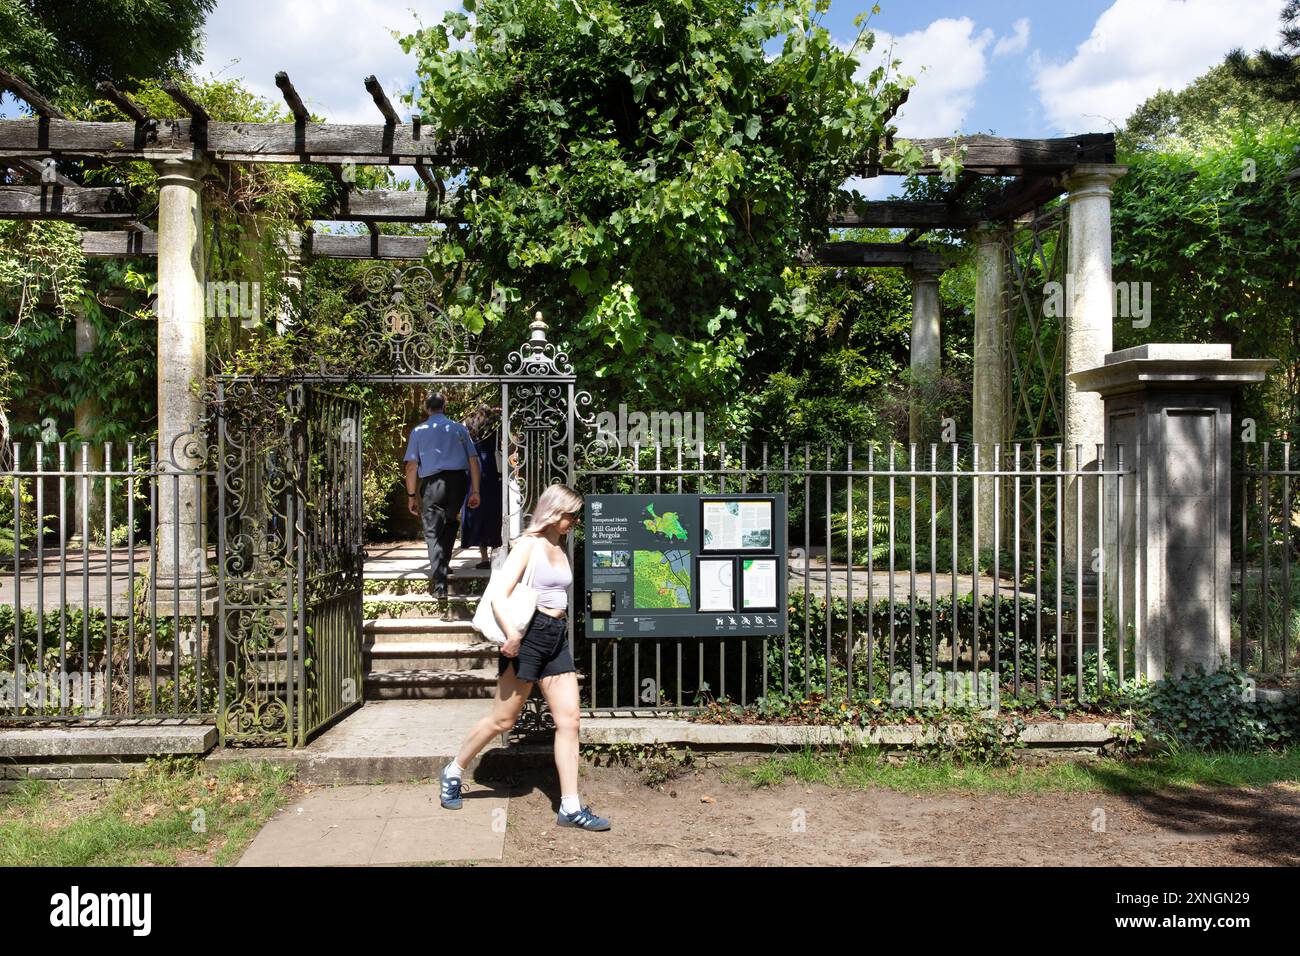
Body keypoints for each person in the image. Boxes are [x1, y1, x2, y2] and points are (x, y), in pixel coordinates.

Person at [438, 483, 610, 832]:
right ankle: (453, 770)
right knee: (503, 720)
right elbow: (500, 596)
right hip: (529, 635)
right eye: (570, 515)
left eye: (576, 516)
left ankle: (571, 807)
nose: (574, 522)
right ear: (553, 512)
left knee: (570, 720)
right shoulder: (527, 546)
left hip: (555, 637)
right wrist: (513, 634)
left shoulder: (560, 545)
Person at [404, 393, 482, 613]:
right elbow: (473, 460)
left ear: (427, 409)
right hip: (458, 482)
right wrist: (475, 490)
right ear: (444, 407)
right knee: (449, 522)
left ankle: (440, 584)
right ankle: (443, 564)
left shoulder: (418, 431)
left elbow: (411, 466)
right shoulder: (459, 429)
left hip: (432, 483)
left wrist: (411, 495)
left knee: (431, 532)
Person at [458, 404, 504, 569]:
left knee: (477, 510)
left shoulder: (468, 424)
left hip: (474, 466)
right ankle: (495, 555)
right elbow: (504, 447)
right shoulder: (496, 424)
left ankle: (484, 557)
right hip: (490, 467)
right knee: (493, 511)